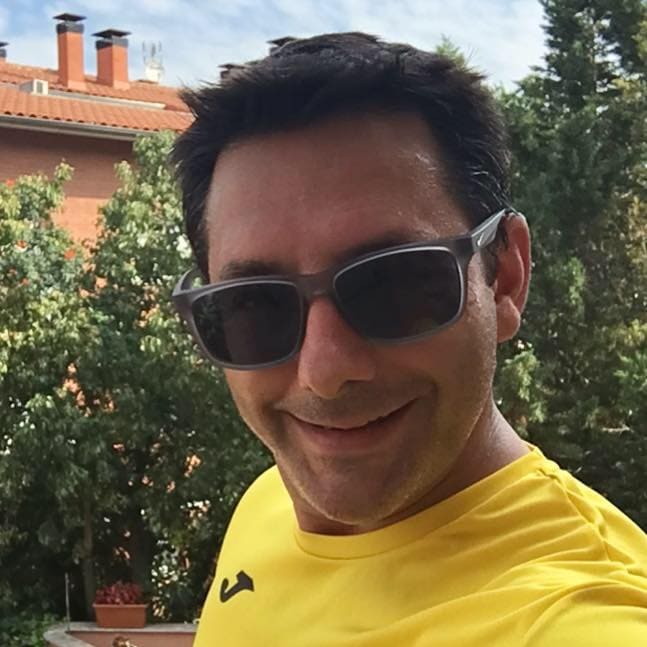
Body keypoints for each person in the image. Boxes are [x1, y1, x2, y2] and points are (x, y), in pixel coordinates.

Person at [170, 33, 647, 646]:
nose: (325, 371)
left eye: (393, 284)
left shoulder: (575, 617)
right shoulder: (271, 502)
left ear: (505, 277)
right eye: (253, 304)